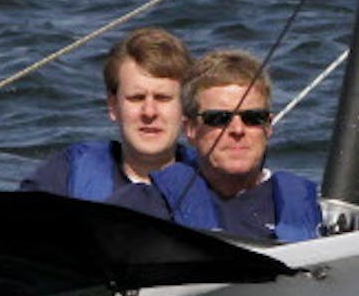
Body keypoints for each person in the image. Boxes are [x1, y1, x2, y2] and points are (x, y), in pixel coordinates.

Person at [113, 49, 322, 242]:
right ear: (190, 129)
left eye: (253, 117)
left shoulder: (310, 210)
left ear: (268, 127)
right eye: (219, 118)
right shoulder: (141, 208)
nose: (238, 130)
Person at [16, 27, 194, 199]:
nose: (149, 112)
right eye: (136, 98)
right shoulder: (66, 174)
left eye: (162, 98)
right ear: (113, 107)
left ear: (185, 107)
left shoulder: (212, 181)